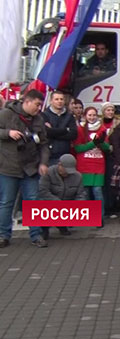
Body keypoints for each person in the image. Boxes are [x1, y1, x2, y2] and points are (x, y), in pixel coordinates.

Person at [0, 89, 50, 248]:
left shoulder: (38, 120)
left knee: (33, 202)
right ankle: (3, 235)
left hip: (30, 168)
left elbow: (44, 144)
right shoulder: (6, 114)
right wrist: (7, 133)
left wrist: (43, 163)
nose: (38, 108)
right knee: (7, 202)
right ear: (27, 102)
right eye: (36, 105)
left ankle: (36, 235)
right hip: (9, 166)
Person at [74, 107, 111, 224]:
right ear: (85, 116)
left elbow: (107, 148)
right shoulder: (80, 129)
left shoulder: (102, 129)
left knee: (97, 192)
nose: (92, 117)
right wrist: (92, 143)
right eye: (89, 115)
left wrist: (101, 143)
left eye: (94, 115)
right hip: (84, 165)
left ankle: (99, 218)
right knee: (84, 193)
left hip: (98, 165)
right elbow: (78, 148)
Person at [38, 154, 87, 240]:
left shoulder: (78, 176)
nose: (67, 172)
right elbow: (43, 191)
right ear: (59, 165)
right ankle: (44, 229)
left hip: (68, 202)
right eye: (65, 169)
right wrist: (57, 202)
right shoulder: (48, 173)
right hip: (51, 201)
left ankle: (62, 224)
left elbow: (81, 194)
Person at [42, 90, 78, 166]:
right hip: (50, 156)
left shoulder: (69, 116)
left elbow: (73, 134)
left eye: (61, 99)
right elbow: (46, 132)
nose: (59, 101)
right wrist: (65, 130)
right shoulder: (44, 115)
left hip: (65, 155)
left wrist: (53, 131)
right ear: (51, 101)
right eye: (57, 99)